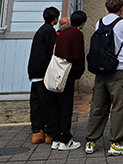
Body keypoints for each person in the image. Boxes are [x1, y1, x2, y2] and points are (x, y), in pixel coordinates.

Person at [84, 0, 123, 156]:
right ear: (121, 8)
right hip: (118, 69)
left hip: (101, 70)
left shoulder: (99, 22)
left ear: (106, 7)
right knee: (120, 106)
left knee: (98, 106)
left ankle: (91, 141)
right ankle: (116, 143)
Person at [50, 10, 87, 151]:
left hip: (56, 72)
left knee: (56, 106)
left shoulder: (63, 32)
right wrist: (78, 73)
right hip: (67, 73)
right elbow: (78, 56)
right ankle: (65, 140)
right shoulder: (77, 34)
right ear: (83, 23)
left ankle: (56, 138)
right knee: (66, 107)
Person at [27, 6, 59, 145]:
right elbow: (51, 53)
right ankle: (49, 133)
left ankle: (36, 132)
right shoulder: (50, 31)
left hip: (33, 72)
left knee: (35, 103)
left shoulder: (39, 31)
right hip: (43, 72)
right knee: (47, 104)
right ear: (55, 19)